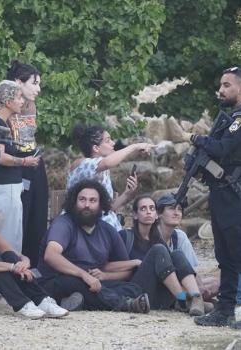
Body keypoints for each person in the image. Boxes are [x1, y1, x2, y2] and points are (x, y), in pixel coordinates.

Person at [188, 67, 241, 329]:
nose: (220, 90)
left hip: (235, 192)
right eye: (220, 85)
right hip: (223, 191)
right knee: (225, 254)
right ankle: (225, 310)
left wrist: (198, 139)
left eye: (227, 85)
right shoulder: (233, 117)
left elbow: (222, 148)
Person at [37, 179, 150, 313]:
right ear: (74, 202)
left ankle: (79, 302)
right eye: (82, 200)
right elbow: (51, 255)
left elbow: (125, 269)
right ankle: (125, 304)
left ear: (100, 204)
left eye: (92, 201)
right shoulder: (64, 224)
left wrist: (105, 276)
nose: (87, 205)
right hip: (59, 281)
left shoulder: (108, 230)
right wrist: (84, 275)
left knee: (134, 288)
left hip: (94, 283)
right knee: (76, 283)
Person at [0, 197, 68, 319]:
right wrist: (12, 267)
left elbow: (18, 255)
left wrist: (24, 263)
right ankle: (22, 303)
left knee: (8, 256)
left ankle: (42, 300)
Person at [116, 195, 210, 315]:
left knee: (177, 254)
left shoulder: (157, 239)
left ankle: (196, 298)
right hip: (137, 294)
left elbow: (173, 270)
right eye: (143, 209)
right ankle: (182, 300)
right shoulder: (125, 236)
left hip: (158, 294)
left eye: (151, 208)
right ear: (135, 215)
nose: (148, 212)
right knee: (159, 250)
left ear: (156, 215)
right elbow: (108, 266)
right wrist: (134, 263)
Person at [0, 80, 40, 253]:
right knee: (7, 239)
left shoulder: (1, 122)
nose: (22, 101)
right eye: (18, 97)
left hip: (7, 188)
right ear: (8, 102)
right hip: (3, 188)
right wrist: (24, 161)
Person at [67, 125, 154, 230]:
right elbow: (108, 162)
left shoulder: (103, 170)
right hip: (86, 227)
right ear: (96, 148)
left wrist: (127, 193)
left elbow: (108, 209)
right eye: (108, 141)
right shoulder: (82, 164)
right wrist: (134, 146)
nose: (113, 143)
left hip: (108, 228)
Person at [6, 60, 47, 267]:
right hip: (17, 166)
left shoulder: (32, 105)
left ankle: (34, 266)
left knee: (38, 216)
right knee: (19, 217)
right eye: (34, 83)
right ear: (17, 83)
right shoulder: (6, 106)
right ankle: (15, 264)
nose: (38, 89)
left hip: (34, 162)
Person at [155, 194, 217, 301]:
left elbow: (190, 270)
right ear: (159, 213)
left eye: (179, 209)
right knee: (177, 255)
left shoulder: (179, 236)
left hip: (180, 282)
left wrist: (201, 287)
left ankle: (194, 298)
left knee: (216, 283)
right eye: (171, 209)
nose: (176, 213)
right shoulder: (151, 235)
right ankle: (187, 299)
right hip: (158, 285)